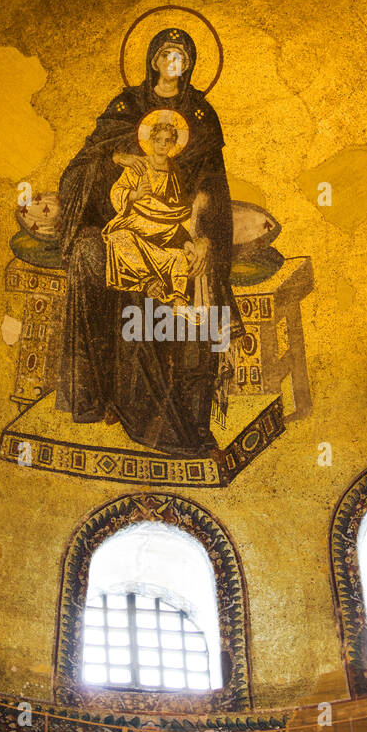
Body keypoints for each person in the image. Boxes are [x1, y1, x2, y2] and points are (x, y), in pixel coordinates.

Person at [56, 27, 241, 456]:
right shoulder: (127, 106)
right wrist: (121, 157)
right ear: (154, 61)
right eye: (166, 54)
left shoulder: (200, 116)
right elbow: (84, 167)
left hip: (181, 228)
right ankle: (103, 394)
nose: (173, 62)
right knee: (95, 259)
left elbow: (213, 188)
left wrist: (207, 239)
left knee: (196, 287)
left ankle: (191, 420)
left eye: (182, 56)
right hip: (128, 223)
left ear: (190, 65)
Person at [104, 114, 209, 314]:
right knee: (119, 238)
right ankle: (149, 280)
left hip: (165, 225)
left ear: (173, 144)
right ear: (151, 141)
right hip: (137, 220)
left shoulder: (174, 170)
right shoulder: (139, 165)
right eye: (158, 140)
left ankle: (178, 299)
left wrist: (187, 235)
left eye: (167, 141)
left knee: (179, 255)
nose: (162, 144)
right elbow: (117, 191)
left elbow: (179, 207)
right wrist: (134, 195)